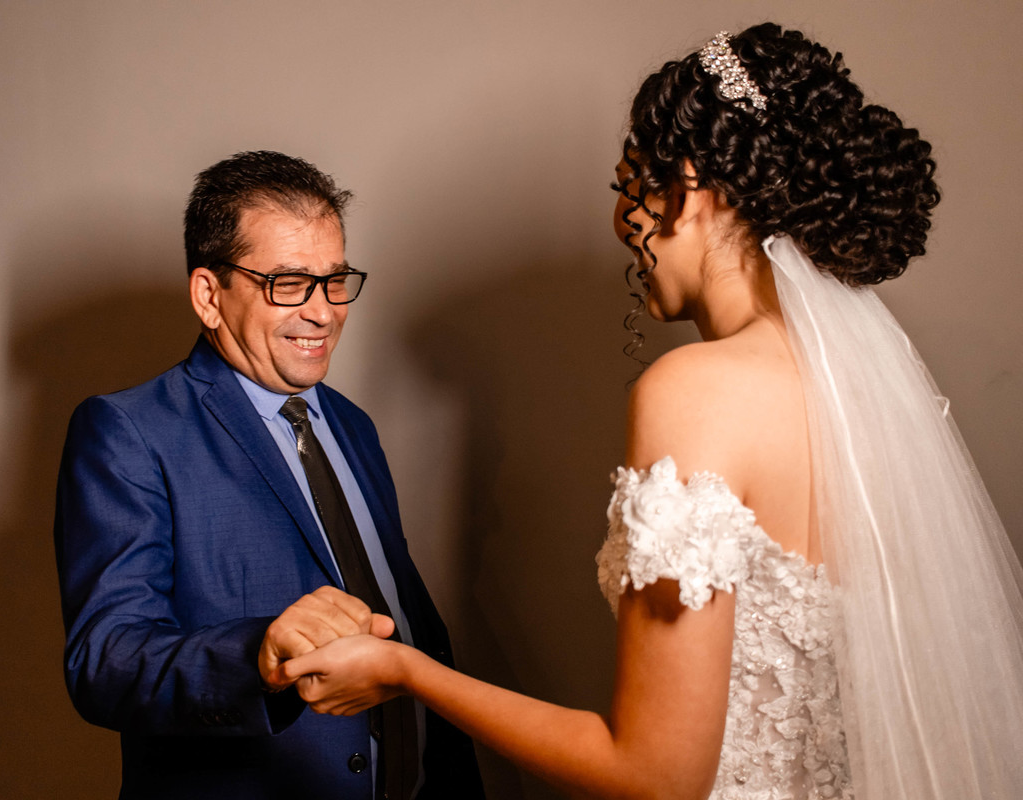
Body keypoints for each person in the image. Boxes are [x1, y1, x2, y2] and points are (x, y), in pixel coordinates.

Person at [272, 25, 1023, 799]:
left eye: (627, 187)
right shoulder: (869, 393)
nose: (622, 226)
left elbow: (656, 775)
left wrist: (406, 672)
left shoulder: (695, 389)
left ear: (684, 192)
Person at [54, 150, 483, 800]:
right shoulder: (128, 432)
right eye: (288, 283)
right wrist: (258, 653)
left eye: (334, 280)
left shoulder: (353, 426)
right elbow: (105, 662)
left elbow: (405, 618)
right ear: (209, 296)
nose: (323, 311)